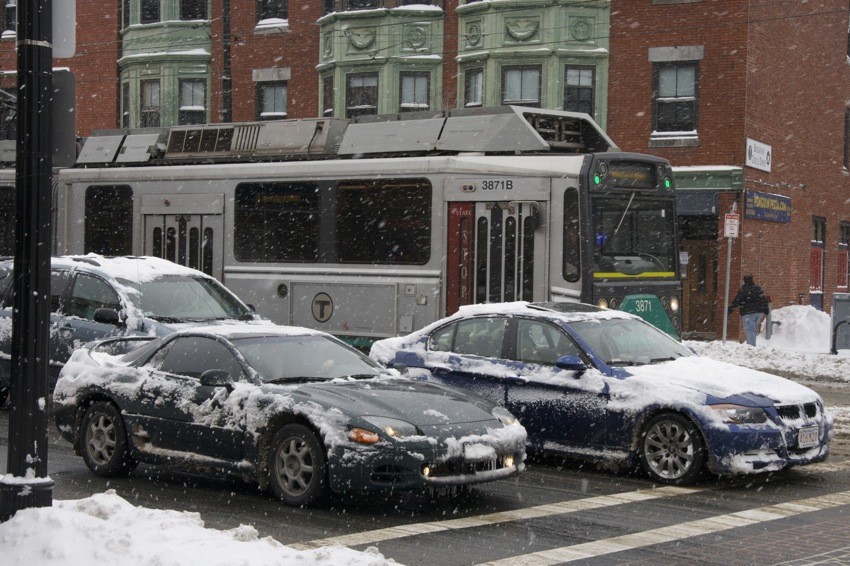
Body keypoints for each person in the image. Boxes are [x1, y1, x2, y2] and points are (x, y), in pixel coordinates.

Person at [727, 275, 769, 346]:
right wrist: (766, 309)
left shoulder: (743, 289)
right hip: (759, 312)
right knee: (752, 330)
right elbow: (763, 299)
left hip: (748, 313)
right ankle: (751, 345)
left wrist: (729, 310)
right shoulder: (758, 288)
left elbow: (737, 301)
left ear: (744, 281)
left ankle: (751, 347)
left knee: (750, 330)